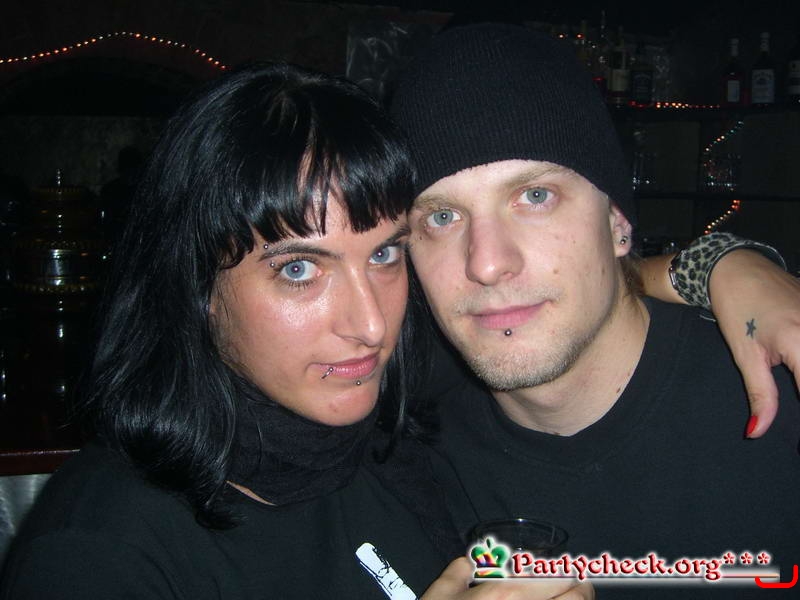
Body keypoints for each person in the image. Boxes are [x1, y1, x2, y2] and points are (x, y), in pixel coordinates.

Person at [0, 62, 593, 600]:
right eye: (299, 270)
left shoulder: (396, 455)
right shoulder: (101, 554)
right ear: (196, 287)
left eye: (384, 255)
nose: (370, 324)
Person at [390, 23, 800, 597]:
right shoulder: (403, 457)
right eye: (441, 217)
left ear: (617, 222)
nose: (487, 263)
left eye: (535, 196)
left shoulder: (781, 394)